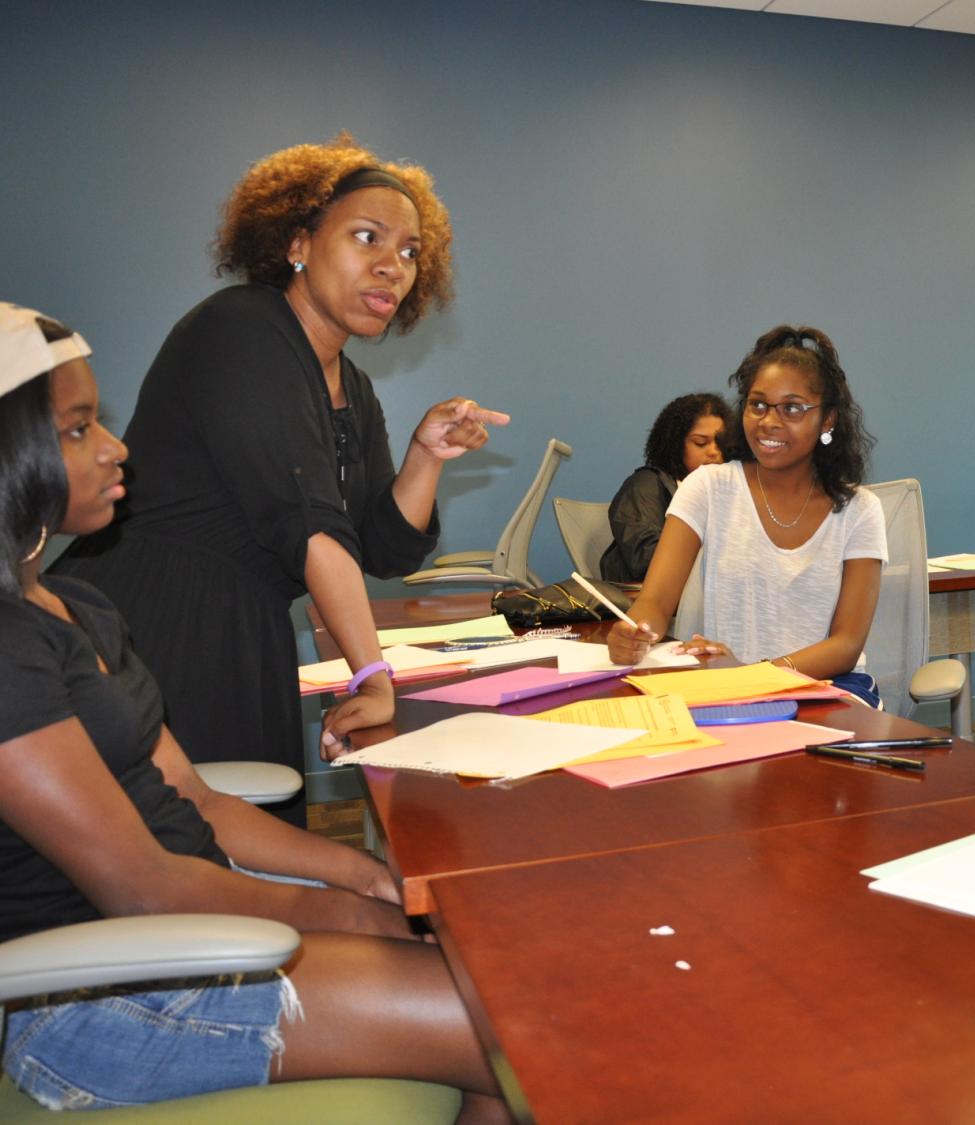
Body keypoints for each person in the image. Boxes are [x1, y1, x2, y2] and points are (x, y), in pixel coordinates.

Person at [0, 303, 508, 1121]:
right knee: (525, 1016)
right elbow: (142, 886)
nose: (115, 446)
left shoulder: (77, 603)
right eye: (77, 429)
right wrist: (343, 910)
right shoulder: (5, 651)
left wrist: (365, 875)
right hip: (90, 999)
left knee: (494, 970)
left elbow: (195, 800)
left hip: (181, 937)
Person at [52, 136, 506, 824]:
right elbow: (311, 529)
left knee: (245, 862)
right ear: (299, 242)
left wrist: (424, 456)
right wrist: (370, 676)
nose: (393, 267)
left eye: (411, 253)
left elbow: (380, 548)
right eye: (367, 237)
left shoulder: (350, 382)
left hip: (244, 635)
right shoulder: (242, 328)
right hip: (154, 625)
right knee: (192, 863)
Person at [606, 326, 886, 705]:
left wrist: (755, 675)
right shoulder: (707, 487)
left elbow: (846, 644)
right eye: (758, 404)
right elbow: (654, 603)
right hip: (725, 686)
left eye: (792, 408)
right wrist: (635, 632)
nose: (769, 421)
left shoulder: (859, 509)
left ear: (828, 420)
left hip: (828, 687)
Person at [599, 392, 728, 584]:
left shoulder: (731, 491)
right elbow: (646, 560)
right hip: (649, 603)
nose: (714, 452)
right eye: (701, 443)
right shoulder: (646, 485)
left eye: (721, 442)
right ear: (675, 445)